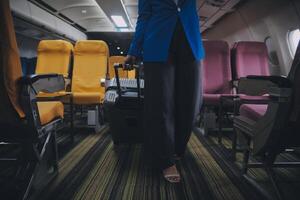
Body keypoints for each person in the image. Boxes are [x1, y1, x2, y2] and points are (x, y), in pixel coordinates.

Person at [125, 0, 205, 183]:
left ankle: (176, 148)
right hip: (158, 43)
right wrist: (135, 49)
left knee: (191, 103)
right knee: (161, 104)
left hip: (190, 42)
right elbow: (144, 17)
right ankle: (165, 159)